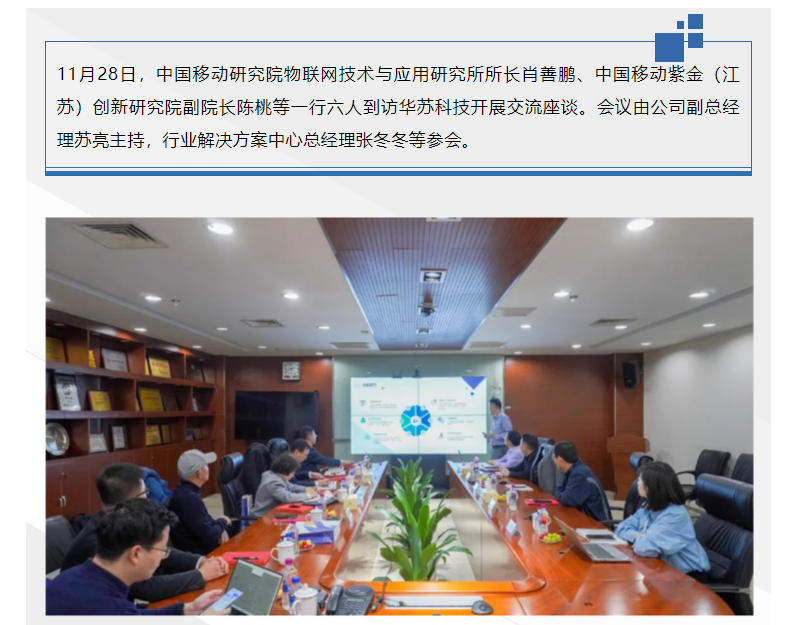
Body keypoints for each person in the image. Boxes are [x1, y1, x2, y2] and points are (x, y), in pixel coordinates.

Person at [61, 463, 228, 602]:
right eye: (145, 493)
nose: (148, 498)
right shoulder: (100, 541)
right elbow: (147, 588)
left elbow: (158, 550)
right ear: (131, 502)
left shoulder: (119, 521)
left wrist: (201, 561)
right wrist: (200, 575)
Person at [47, 499, 230, 616]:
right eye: (163, 550)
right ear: (136, 554)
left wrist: (186, 610)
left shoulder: (74, 575)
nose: (163, 557)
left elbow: (135, 614)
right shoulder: (110, 608)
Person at [615, 462, 711, 574]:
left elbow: (645, 548)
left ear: (651, 487)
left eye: (640, 480)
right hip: (663, 568)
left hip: (689, 575)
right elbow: (621, 528)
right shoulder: (649, 506)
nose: (637, 483)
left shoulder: (675, 515)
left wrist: (641, 538)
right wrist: (638, 536)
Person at [169, 450, 231, 555]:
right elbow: (210, 537)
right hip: (200, 556)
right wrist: (223, 521)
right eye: (206, 465)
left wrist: (219, 527)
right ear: (199, 473)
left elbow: (205, 520)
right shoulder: (190, 499)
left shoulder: (184, 490)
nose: (208, 468)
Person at [553, 441, 608, 522]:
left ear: (560, 459)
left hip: (596, 523)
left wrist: (560, 495)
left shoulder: (579, 473)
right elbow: (559, 491)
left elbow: (566, 500)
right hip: (585, 517)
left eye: (554, 457)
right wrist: (561, 495)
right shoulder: (573, 469)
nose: (554, 460)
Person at [252, 452, 316, 517]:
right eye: (292, 473)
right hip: (263, 517)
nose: (293, 476)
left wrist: (307, 489)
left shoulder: (275, 475)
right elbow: (287, 497)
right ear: (285, 470)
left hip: (274, 512)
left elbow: (291, 486)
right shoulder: (273, 482)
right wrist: (308, 495)